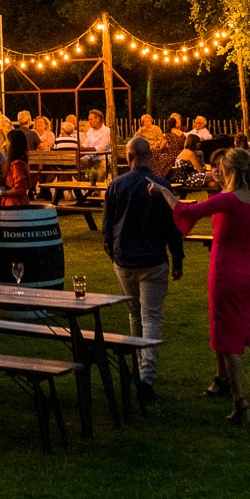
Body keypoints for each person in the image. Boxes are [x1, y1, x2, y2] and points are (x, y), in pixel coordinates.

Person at [171, 148, 250, 424]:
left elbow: (189, 211)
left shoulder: (229, 200)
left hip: (225, 273)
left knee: (228, 338)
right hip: (249, 274)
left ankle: (240, 403)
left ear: (231, 170)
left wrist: (164, 193)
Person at [103, 136, 185, 403]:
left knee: (134, 315)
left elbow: (108, 225)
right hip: (152, 259)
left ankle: (141, 370)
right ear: (150, 156)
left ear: (128, 157)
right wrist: (177, 258)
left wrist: (112, 252)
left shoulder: (116, 185)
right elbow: (172, 226)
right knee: (151, 318)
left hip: (125, 259)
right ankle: (146, 376)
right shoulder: (161, 186)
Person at [0, 128, 37, 208]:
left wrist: (1, 192)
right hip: (14, 202)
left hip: (15, 204)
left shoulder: (17, 164)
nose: (6, 144)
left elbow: (19, 188)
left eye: (8, 141)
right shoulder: (21, 162)